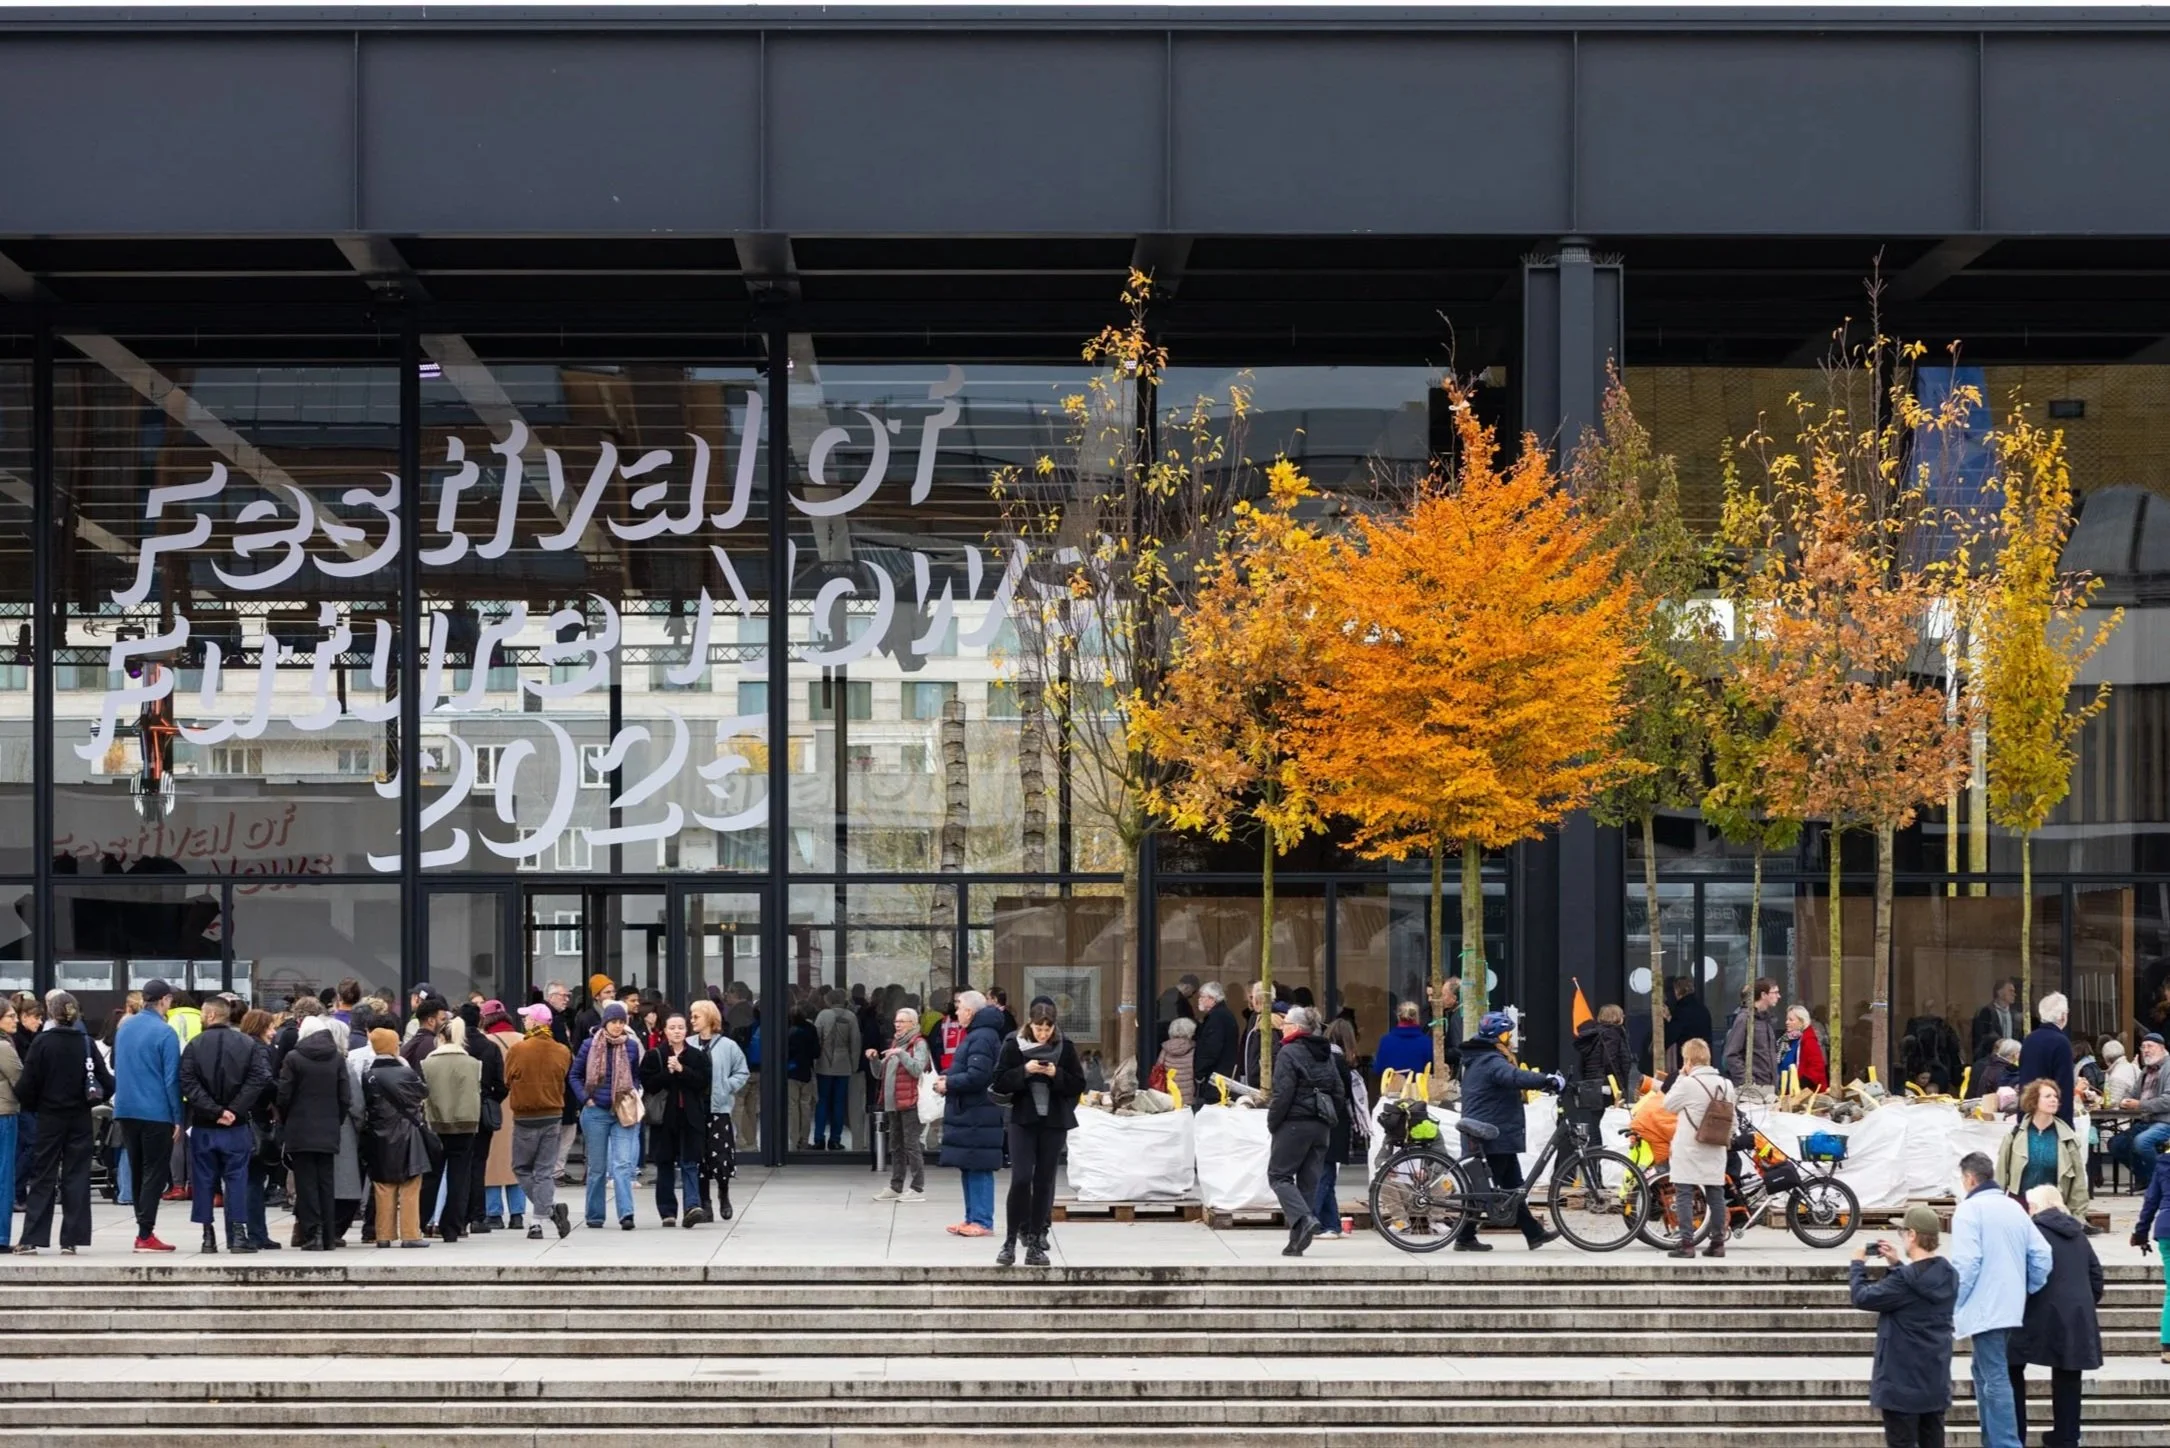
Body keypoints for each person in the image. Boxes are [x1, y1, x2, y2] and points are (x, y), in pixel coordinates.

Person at [1950, 1150, 2053, 1448]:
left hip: (1985, 1306)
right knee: (1983, 1371)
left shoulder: (1969, 1211)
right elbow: (2042, 1255)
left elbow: (1967, 1263)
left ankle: (2005, 1443)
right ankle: (1993, 1440)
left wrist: (1953, 1302)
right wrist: (2027, 1288)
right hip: (2009, 1304)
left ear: (1970, 1179)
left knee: (1993, 1376)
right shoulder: (2014, 1207)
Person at [1849, 1204, 1958, 1448]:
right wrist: (1896, 1264)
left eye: (1902, 1232)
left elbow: (1862, 1297)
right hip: (1935, 1381)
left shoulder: (1904, 1281)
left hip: (1901, 1384)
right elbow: (1917, 1288)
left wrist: (1857, 1264)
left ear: (1912, 1235)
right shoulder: (1949, 1275)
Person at [1452, 1011, 1561, 1253]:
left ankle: (1534, 1233)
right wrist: (1547, 1080)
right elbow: (1514, 1076)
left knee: (1513, 1186)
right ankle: (1465, 1237)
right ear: (1499, 1035)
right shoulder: (1491, 1061)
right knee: (1485, 1190)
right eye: (1507, 1033)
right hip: (1490, 1133)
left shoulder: (1481, 1057)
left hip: (1494, 1130)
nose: (1510, 1038)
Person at [15, 991, 114, 1255]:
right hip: (80, 1118)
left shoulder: (42, 1043)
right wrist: (90, 1101)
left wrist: (35, 1105)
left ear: (51, 1013)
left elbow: (26, 1085)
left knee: (43, 1176)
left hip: (49, 1117)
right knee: (77, 1175)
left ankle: (33, 1237)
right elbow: (107, 1082)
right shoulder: (86, 1043)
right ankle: (72, 1238)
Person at [2009, 1184, 2103, 1448]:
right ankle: (2066, 1436)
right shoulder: (2078, 1234)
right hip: (2076, 1313)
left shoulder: (2032, 1232)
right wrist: (2084, 1304)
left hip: (2035, 1312)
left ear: (2034, 1207)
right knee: (2068, 1374)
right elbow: (2096, 1275)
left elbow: (2022, 1273)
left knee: (2011, 1365)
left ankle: (2015, 1435)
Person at [994, 997, 1086, 1266]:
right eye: (1038, 1028)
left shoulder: (1064, 1046)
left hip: (1053, 1121)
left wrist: (1056, 1074)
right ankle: (1010, 1240)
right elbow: (998, 1081)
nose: (1043, 1034)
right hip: (1022, 1119)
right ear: (1030, 1024)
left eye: (1048, 1029)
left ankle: (1035, 1240)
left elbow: (1077, 1084)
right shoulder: (1013, 1043)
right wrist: (1024, 1071)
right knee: (1021, 1178)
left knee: (1044, 1181)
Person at [175, 996, 265, 1255]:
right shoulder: (247, 1043)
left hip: (204, 1125)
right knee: (237, 1179)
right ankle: (238, 1234)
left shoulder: (194, 1045)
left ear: (211, 1015)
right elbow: (258, 1078)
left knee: (204, 1179)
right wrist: (234, 1110)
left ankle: (208, 1235)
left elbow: (188, 1083)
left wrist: (214, 1110)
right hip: (236, 1126)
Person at [1266, 1005, 1343, 1258]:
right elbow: (1338, 1090)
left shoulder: (1288, 1052)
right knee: (1308, 1183)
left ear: (1297, 1028)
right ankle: (1296, 1242)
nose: (1282, 1027)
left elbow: (1283, 1093)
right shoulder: (1326, 1052)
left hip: (1294, 1123)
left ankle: (1304, 1218)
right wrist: (1328, 1118)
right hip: (1321, 1125)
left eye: (1286, 1024)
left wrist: (1273, 1122)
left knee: (1279, 1176)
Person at [111, 977, 182, 1252]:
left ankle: (143, 1229)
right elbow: (171, 1079)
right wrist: (177, 1116)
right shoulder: (165, 1032)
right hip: (156, 1110)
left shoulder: (124, 1028)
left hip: (126, 1108)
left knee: (138, 1168)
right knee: (155, 1171)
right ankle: (145, 1232)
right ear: (164, 1000)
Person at [277, 1013, 353, 1251]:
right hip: (328, 1129)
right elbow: (345, 1097)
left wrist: (287, 1120)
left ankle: (313, 1234)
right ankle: (328, 1235)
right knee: (326, 1183)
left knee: (306, 1184)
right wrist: (335, 1120)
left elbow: (284, 1096)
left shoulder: (293, 1058)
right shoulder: (337, 1058)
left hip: (300, 1129)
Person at [934, 988, 1003, 1237]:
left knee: (979, 1167)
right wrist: (947, 1077)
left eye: (959, 1007)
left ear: (970, 1011)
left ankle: (982, 1221)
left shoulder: (982, 1037)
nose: (956, 1012)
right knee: (969, 1165)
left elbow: (978, 1076)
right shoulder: (976, 1034)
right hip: (971, 1113)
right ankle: (971, 1217)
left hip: (978, 1113)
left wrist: (949, 1083)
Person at [569, 1000, 643, 1230]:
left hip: (622, 1110)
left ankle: (626, 1214)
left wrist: (633, 1091)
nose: (618, 1026)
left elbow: (636, 1074)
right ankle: (594, 1215)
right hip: (596, 1111)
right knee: (597, 1168)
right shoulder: (589, 1045)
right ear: (605, 1023)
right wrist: (586, 1099)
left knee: (622, 1165)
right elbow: (574, 1075)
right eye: (614, 1021)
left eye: (622, 1021)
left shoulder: (631, 1046)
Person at [1662, 1037, 1738, 1259]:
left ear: (1688, 1060)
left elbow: (1668, 1105)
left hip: (1689, 1147)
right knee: (1716, 1193)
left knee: (1684, 1193)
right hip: (1715, 1146)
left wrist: (1681, 1076)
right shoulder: (1726, 1084)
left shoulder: (1687, 1084)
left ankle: (1687, 1244)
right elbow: (1732, 1119)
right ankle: (1717, 1243)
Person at [506, 1003, 573, 1239]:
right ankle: (540, 1219)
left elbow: (507, 1079)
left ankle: (547, 1213)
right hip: (553, 1115)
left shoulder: (518, 1049)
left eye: (527, 1018)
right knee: (544, 1171)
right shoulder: (562, 1051)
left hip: (525, 1116)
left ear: (535, 1022)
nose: (524, 1022)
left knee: (521, 1168)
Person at [360, 1026, 431, 1248]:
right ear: (392, 1046)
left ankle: (383, 1235)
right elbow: (423, 1092)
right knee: (410, 1184)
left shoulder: (368, 1075)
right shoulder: (406, 1073)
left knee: (383, 1185)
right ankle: (410, 1234)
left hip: (379, 1136)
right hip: (408, 1134)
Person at [639, 1012, 712, 1227]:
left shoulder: (697, 1056)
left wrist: (682, 1070)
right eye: (672, 1028)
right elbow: (648, 1084)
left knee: (690, 1162)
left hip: (690, 1117)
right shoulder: (655, 1055)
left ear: (686, 1030)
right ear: (665, 1031)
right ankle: (667, 1212)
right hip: (664, 1119)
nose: (677, 1031)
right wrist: (668, 1073)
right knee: (665, 1163)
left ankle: (692, 1206)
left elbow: (703, 1083)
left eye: (680, 1027)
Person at [418, 1015, 481, 1242]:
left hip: (435, 1124)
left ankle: (420, 1221)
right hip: (465, 1124)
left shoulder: (427, 1063)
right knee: (459, 1178)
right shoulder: (473, 1064)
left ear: (441, 1038)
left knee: (431, 1176)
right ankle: (452, 1227)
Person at [687, 1000, 750, 1221]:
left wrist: (726, 1086)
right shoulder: (688, 1043)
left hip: (718, 1108)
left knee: (721, 1156)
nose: (692, 1020)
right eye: (691, 1016)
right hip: (695, 1109)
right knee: (699, 1157)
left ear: (709, 1017)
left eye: (696, 1016)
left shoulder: (728, 1046)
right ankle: (705, 1203)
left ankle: (724, 1194)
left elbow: (742, 1072)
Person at [1995, 1079, 2089, 1220]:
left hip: (2053, 1210)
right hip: (2020, 1208)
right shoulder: (2014, 1136)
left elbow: (2078, 1184)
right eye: (2047, 1096)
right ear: (2034, 1101)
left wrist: (2078, 1218)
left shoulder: (2067, 1138)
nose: (2053, 1100)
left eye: (2055, 1096)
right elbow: (2000, 1176)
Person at [869, 1005, 930, 1203]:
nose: (897, 1025)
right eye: (896, 1021)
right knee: (896, 1146)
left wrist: (901, 1054)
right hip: (893, 1103)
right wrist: (874, 1060)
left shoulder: (918, 1043)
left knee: (912, 1145)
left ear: (913, 1023)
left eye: (902, 1021)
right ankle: (896, 1186)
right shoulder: (896, 1043)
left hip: (910, 1101)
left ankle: (917, 1188)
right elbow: (880, 1074)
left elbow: (917, 1069)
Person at [236, 1009, 283, 1251]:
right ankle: (257, 1233)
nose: (274, 1032)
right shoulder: (261, 1049)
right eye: (270, 1027)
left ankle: (246, 1231)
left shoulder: (239, 1046)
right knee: (255, 1178)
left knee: (244, 1178)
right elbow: (265, 1081)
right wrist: (277, 1097)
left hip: (240, 1117)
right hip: (257, 1118)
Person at [475, 1000, 520, 1230]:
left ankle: (494, 1213)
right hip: (520, 1107)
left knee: (492, 1160)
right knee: (517, 1161)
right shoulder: (523, 1040)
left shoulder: (487, 1043)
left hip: (494, 1107)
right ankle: (517, 1213)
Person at [2110, 1032, 2170, 1186]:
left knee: (2142, 1142)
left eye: (2150, 1046)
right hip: (2146, 1121)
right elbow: (2134, 1094)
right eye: (2143, 1047)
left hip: (2165, 1122)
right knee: (2116, 1144)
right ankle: (2145, 1178)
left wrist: (2139, 1104)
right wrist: (2124, 1101)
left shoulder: (2168, 1068)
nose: (2146, 1050)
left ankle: (2162, 1181)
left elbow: (2168, 1101)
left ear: (2162, 1048)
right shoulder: (2146, 1070)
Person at [2132, 1136, 2170, 1364]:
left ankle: (2168, 1347)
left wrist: (2141, 1233)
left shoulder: (2163, 1164)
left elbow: (2151, 1201)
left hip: (2166, 1228)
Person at [2015, 992, 2078, 1127]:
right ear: (2063, 1016)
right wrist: (2066, 1124)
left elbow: (2023, 1076)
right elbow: (2064, 1086)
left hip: (2028, 1113)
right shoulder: (2061, 1042)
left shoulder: (2029, 1040)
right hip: (2051, 1118)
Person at [811, 987, 857, 1152]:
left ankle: (818, 1138)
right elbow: (855, 1042)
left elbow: (816, 1039)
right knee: (838, 1103)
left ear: (828, 1000)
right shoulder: (851, 1017)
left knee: (822, 1102)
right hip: (844, 1065)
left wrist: (814, 1061)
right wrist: (854, 1065)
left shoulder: (823, 1015)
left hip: (824, 1064)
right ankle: (835, 1140)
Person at [1723, 977, 1781, 1089]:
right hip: (1754, 1090)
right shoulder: (1745, 1019)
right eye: (1775, 992)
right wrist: (1747, 1082)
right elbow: (1731, 1055)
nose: (1778, 996)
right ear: (1763, 995)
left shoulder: (1766, 1020)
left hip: (1769, 1087)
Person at [1573, 1003, 1636, 1102]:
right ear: (1616, 1017)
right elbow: (1610, 1061)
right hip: (1609, 1085)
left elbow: (1582, 1064)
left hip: (1593, 1084)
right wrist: (1619, 1083)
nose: (1623, 1017)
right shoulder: (1612, 1034)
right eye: (1621, 1014)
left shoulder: (1594, 1035)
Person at [1191, 982, 1239, 1107]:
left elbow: (1210, 1049)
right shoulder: (1221, 1015)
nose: (1199, 1000)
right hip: (1220, 1077)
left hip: (1216, 1078)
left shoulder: (1217, 1017)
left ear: (1212, 999)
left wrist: (1200, 1072)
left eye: (1202, 996)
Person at [1373, 1001, 1435, 1080]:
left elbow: (1378, 1069)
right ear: (1417, 1018)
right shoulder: (1427, 1043)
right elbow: (1433, 1070)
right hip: (1419, 1086)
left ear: (1398, 1017)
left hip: (1392, 1086)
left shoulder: (1385, 1041)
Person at [786, 1005, 818, 1148]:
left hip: (791, 1073)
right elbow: (816, 1052)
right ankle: (804, 1140)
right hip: (806, 1072)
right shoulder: (811, 1029)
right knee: (805, 1107)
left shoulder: (788, 1031)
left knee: (793, 1107)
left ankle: (793, 1141)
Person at [1777, 1004, 1829, 1092]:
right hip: (1788, 1089)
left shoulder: (1808, 1040)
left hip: (1804, 1092)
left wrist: (1800, 1085)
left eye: (1791, 1020)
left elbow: (1817, 1067)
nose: (1787, 1022)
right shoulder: (1788, 1039)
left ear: (1802, 1022)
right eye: (1787, 1019)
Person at [1666, 976, 1714, 1069]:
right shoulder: (1703, 1009)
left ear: (1677, 991)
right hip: (1704, 1057)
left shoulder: (1681, 1011)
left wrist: (1666, 1021)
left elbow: (1670, 1036)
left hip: (1689, 1059)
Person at [0, 1000, 17, 1251]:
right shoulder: (4, 1047)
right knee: (4, 1176)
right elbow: (20, 1079)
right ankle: (2, 1236)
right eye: (10, 1016)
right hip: (4, 1114)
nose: (15, 1020)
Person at [1975, 979, 2022, 1067]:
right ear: (2000, 992)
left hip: (2012, 1060)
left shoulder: (2015, 1015)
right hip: (1991, 1061)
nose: (2014, 994)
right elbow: (1982, 1038)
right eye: (2010, 991)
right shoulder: (1986, 1012)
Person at [1152, 1016, 1197, 1104]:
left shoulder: (1166, 1049)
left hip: (1170, 1091)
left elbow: (1158, 1068)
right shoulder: (1193, 1049)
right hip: (1189, 1093)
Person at [2102, 1037, 2139, 1105]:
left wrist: (2096, 1098)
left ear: (2107, 1060)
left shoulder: (2116, 1077)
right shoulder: (2134, 1067)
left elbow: (2111, 1105)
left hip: (2127, 1111)